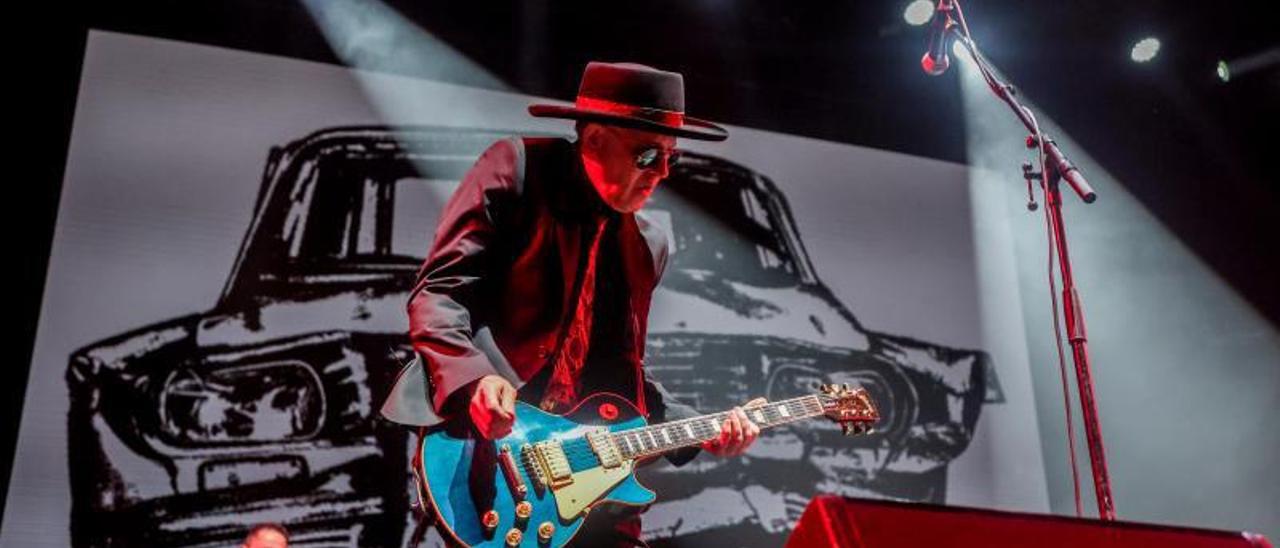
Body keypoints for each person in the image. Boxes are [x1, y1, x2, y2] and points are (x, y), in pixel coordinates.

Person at [382, 61, 764, 546]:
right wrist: (475, 379)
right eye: (648, 155)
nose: (662, 174)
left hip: (588, 468)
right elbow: (439, 292)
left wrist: (701, 428)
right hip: (491, 451)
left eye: (672, 158)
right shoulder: (520, 168)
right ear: (596, 140)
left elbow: (621, 373)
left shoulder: (648, 244)